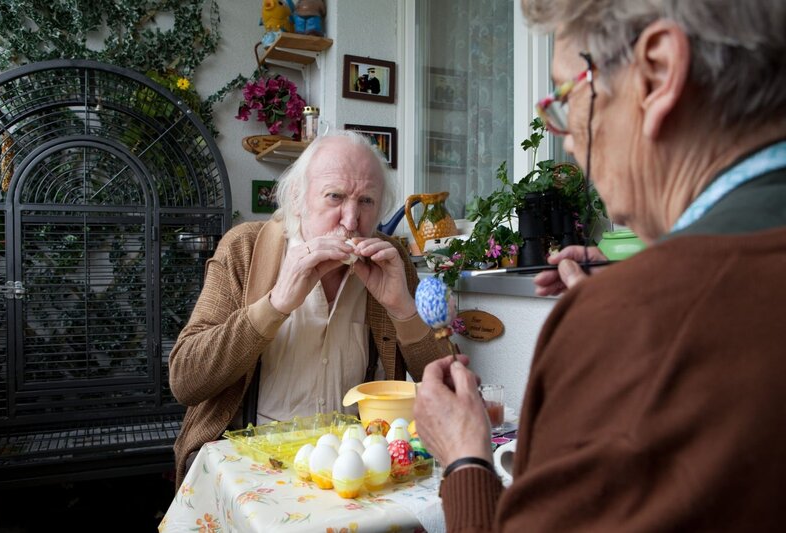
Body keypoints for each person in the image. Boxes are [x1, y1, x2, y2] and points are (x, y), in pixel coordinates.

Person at [414, 0, 786, 530]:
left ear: (656, 73)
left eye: (566, 98)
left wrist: (463, 458)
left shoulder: (627, 320)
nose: (567, 139)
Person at [169, 131, 447, 487]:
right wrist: (275, 304)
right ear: (297, 199)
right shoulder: (244, 248)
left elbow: (447, 387)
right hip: (253, 466)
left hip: (355, 469)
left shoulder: (390, 260)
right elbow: (185, 380)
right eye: (335, 197)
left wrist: (403, 309)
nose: (350, 219)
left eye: (366, 201)